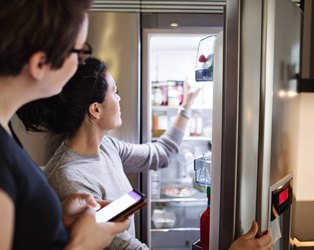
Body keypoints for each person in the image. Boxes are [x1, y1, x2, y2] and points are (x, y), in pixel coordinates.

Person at [17, 57, 273, 250]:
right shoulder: (70, 179)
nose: (120, 99)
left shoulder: (107, 147)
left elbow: (161, 153)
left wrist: (186, 106)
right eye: (114, 92)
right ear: (95, 109)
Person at [0, 1, 129, 249]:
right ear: (39, 63)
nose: (79, 64)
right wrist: (82, 245)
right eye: (79, 52)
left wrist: (56, 219)